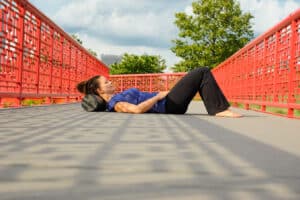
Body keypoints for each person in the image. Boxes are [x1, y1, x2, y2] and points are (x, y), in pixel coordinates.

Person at [76, 67, 242, 117]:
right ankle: (219, 110)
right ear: (99, 90)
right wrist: (157, 96)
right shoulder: (115, 103)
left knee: (200, 75)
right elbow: (136, 110)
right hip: (168, 104)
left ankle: (219, 108)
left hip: (167, 100)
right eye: (107, 82)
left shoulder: (116, 96)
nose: (110, 81)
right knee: (202, 72)